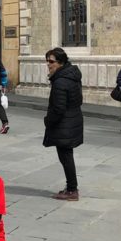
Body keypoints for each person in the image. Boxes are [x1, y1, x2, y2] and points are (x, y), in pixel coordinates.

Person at [44, 47, 84, 201]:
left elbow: (58, 108)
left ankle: (72, 190)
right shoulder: (72, 76)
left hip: (64, 124)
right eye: (47, 61)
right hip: (73, 119)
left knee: (65, 157)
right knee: (67, 156)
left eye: (51, 61)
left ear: (60, 63)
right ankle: (71, 187)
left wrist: (48, 121)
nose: (49, 64)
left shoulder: (60, 81)